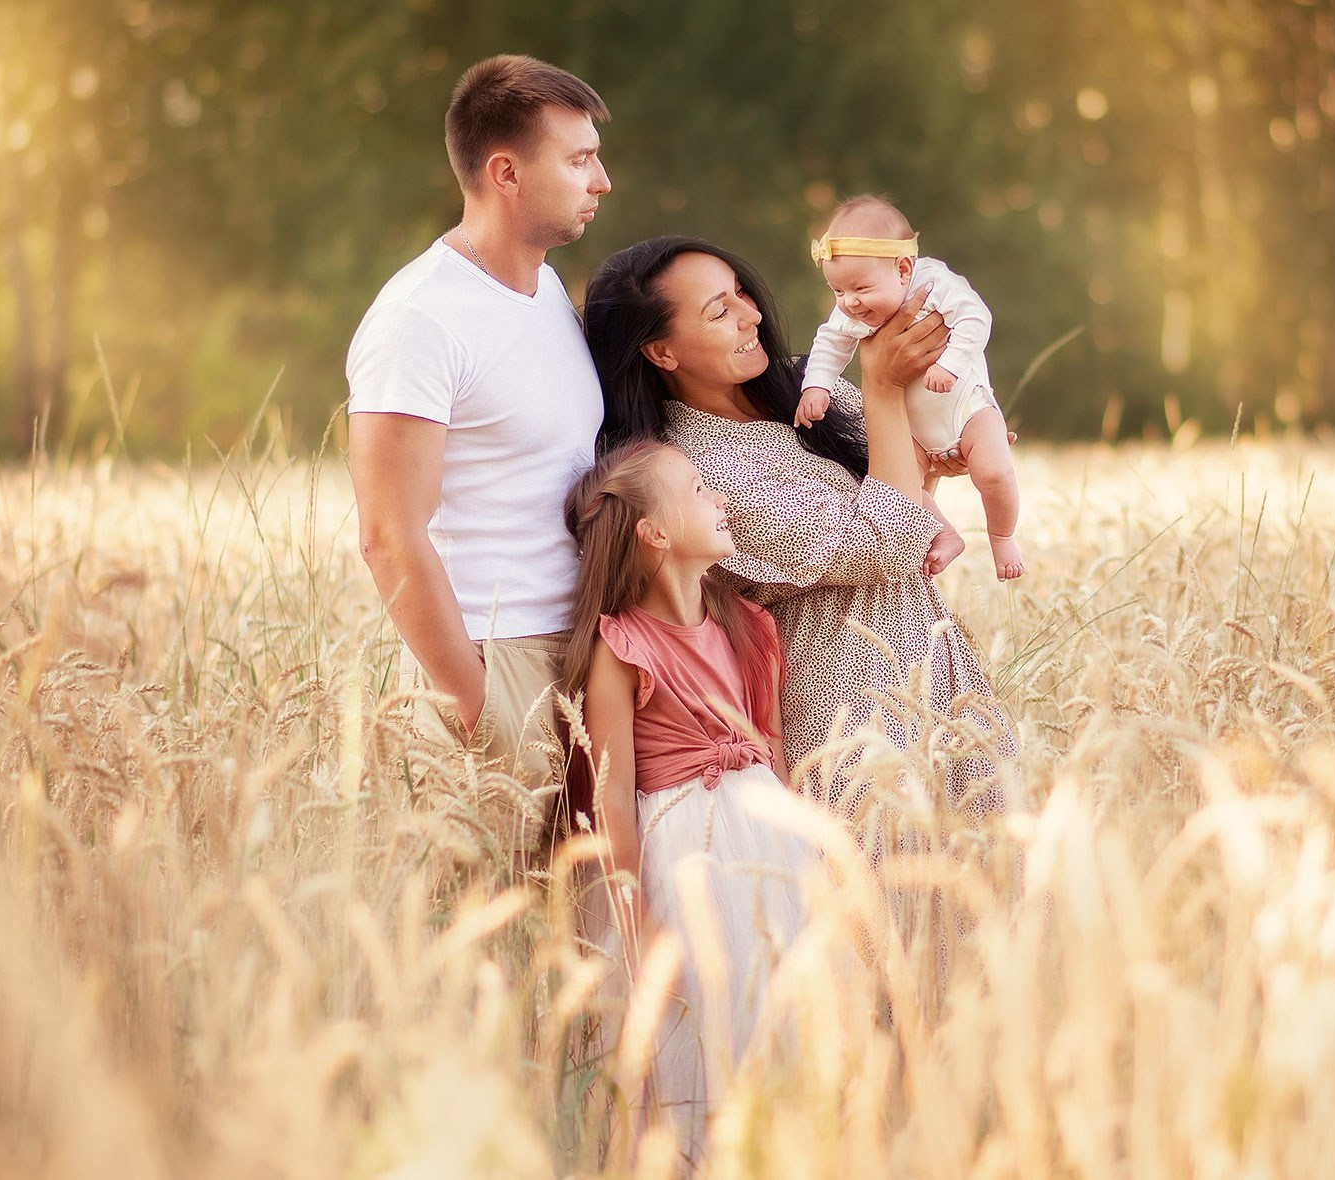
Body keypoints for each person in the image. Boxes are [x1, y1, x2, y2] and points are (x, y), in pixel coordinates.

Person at [584, 237, 1015, 824]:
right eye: (720, 311)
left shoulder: (804, 386)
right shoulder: (688, 472)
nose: (751, 315)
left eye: (741, 293)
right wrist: (883, 388)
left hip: (940, 674)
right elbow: (883, 542)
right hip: (850, 713)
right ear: (661, 352)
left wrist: (945, 449)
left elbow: (901, 500)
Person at [345, 55, 611, 858]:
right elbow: (388, 535)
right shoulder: (421, 318)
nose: (601, 182)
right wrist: (474, 702)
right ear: (506, 172)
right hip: (496, 662)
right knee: (480, 922)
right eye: (579, 160)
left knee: (571, 922)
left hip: (582, 654)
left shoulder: (547, 294)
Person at [564, 438, 815, 1156]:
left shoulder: (747, 626)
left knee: (774, 1013)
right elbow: (611, 796)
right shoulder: (621, 647)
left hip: (763, 843)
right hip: (682, 855)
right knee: (699, 1029)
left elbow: (771, 748)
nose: (721, 498)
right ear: (655, 533)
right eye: (701, 488)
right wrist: (633, 918)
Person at [797, 195, 1024, 581]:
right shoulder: (855, 309)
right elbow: (830, 342)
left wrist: (950, 364)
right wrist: (816, 386)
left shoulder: (935, 284)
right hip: (913, 431)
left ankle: (1002, 537)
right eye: (837, 291)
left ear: (903, 269)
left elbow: (975, 318)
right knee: (897, 491)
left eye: (860, 288)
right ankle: (943, 532)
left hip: (967, 410)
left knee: (993, 473)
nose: (849, 303)